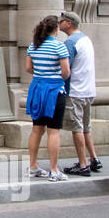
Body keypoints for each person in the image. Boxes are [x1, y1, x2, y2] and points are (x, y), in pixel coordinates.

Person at [26, 15, 70, 181]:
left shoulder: (34, 46)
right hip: (54, 90)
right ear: (56, 29)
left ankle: (33, 165)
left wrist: (41, 74)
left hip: (37, 88)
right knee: (53, 131)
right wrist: (55, 76)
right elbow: (66, 72)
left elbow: (28, 68)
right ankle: (53, 170)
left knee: (37, 129)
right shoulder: (59, 47)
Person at [59, 11, 100, 176]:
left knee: (77, 128)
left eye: (61, 21)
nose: (59, 24)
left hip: (75, 91)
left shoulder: (70, 42)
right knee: (86, 128)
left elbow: (66, 70)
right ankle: (94, 159)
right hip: (89, 90)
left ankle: (83, 164)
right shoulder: (86, 39)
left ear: (68, 24)